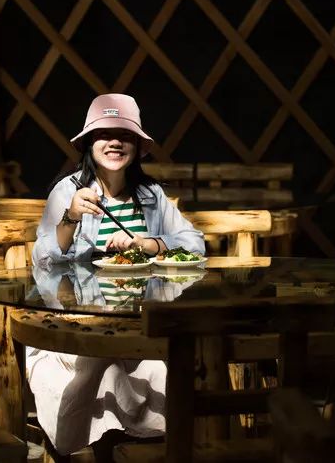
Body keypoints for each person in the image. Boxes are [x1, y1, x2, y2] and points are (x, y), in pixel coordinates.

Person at [29, 93, 205, 459]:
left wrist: (148, 243)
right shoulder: (69, 191)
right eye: (104, 134)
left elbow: (195, 243)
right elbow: (44, 261)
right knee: (100, 369)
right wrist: (70, 217)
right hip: (79, 324)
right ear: (89, 143)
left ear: (137, 146)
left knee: (163, 367)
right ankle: (92, 446)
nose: (114, 142)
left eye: (124, 135)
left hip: (140, 324)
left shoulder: (151, 195)